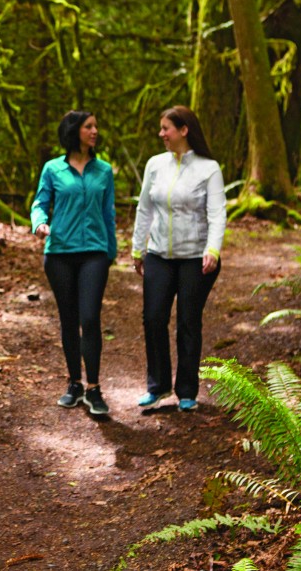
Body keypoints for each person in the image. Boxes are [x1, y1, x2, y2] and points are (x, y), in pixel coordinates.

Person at [131, 105, 226, 412]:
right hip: (159, 254)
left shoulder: (208, 168)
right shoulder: (155, 165)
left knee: (188, 320)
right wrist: (137, 247)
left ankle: (187, 390)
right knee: (154, 317)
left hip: (194, 259)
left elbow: (217, 213)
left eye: (165, 129)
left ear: (184, 130)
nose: (161, 134)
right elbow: (144, 208)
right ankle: (157, 386)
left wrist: (213, 249)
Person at [31, 110, 117, 416]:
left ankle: (94, 389)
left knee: (90, 318)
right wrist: (39, 223)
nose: (95, 131)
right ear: (74, 131)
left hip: (94, 252)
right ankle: (74, 384)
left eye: (95, 126)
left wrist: (111, 252)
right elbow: (40, 203)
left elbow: (109, 214)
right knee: (68, 319)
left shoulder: (104, 170)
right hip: (59, 254)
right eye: (88, 126)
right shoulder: (53, 168)